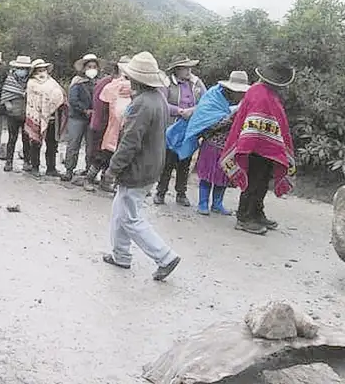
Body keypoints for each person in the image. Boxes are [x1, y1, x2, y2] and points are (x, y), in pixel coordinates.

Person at [100, 51, 181, 281]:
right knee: (120, 210)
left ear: (136, 79)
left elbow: (130, 142)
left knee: (130, 217)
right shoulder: (158, 99)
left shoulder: (141, 104)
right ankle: (121, 255)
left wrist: (113, 169)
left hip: (137, 168)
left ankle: (165, 256)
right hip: (152, 165)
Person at [220, 62, 297, 235]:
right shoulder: (258, 93)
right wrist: (253, 142)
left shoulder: (270, 93)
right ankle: (244, 217)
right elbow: (252, 121)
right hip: (253, 146)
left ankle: (257, 212)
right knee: (253, 181)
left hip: (267, 146)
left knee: (262, 182)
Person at [167, 71, 250, 215]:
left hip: (229, 147)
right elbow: (207, 124)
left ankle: (217, 204)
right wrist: (230, 117)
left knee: (223, 176)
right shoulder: (213, 98)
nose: (240, 94)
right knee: (207, 175)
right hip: (211, 145)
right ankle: (203, 204)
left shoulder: (243, 103)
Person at [155, 56, 207, 206]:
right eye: (185, 67)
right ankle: (160, 192)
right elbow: (161, 103)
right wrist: (179, 111)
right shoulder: (167, 83)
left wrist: (193, 110)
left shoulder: (196, 83)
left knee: (185, 162)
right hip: (171, 129)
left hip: (190, 129)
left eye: (189, 67)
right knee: (168, 162)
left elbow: (206, 101)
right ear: (177, 69)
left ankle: (181, 193)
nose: (188, 70)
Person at [76, 56, 132, 190]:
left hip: (120, 126)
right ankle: (89, 179)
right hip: (105, 125)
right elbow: (99, 105)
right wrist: (101, 124)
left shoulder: (129, 85)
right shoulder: (106, 84)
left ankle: (105, 181)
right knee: (100, 154)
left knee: (112, 155)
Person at [24, 59, 67, 178]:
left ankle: (51, 168)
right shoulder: (31, 83)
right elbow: (33, 100)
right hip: (37, 116)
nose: (42, 72)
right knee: (35, 142)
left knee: (52, 144)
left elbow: (60, 94)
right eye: (39, 70)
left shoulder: (52, 82)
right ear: (34, 71)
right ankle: (35, 167)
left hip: (52, 117)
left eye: (43, 69)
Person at [63, 53, 100, 182]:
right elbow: (73, 100)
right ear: (84, 68)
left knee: (91, 147)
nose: (92, 69)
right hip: (77, 117)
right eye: (89, 66)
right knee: (73, 144)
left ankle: (89, 171)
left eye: (94, 67)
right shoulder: (77, 82)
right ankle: (69, 170)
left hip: (92, 119)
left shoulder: (99, 83)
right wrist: (85, 110)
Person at [0, 55, 34, 173]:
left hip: (27, 115)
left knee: (26, 139)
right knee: (12, 138)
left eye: (24, 68)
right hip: (13, 114)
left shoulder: (31, 81)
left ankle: (27, 162)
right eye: (19, 68)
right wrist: (7, 104)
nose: (21, 70)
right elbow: (5, 94)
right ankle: (8, 162)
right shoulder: (10, 79)